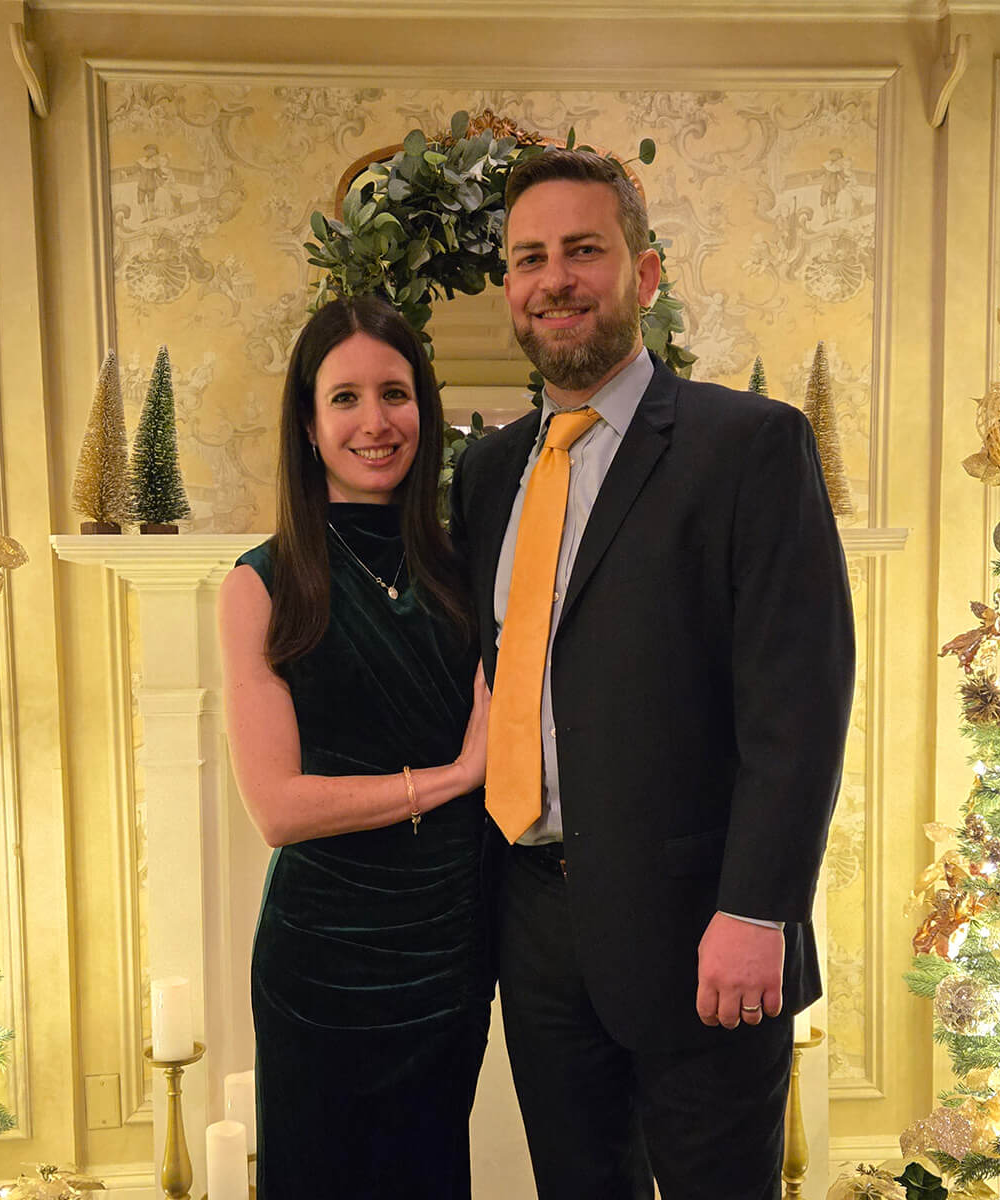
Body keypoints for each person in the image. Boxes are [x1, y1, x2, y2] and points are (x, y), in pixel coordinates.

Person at [449, 149, 855, 1199]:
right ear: (510, 288)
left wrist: (759, 911)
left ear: (646, 272)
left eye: (586, 248)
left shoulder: (748, 447)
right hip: (533, 926)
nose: (556, 278)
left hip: (703, 934)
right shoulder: (487, 474)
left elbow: (797, 705)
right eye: (530, 257)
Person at [218, 296, 493, 1200]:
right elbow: (279, 809)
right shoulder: (260, 586)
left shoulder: (467, 569)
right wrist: (454, 776)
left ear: (426, 408)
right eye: (345, 398)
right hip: (323, 962)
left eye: (395, 393)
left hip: (449, 950)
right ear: (307, 422)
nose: (375, 422)